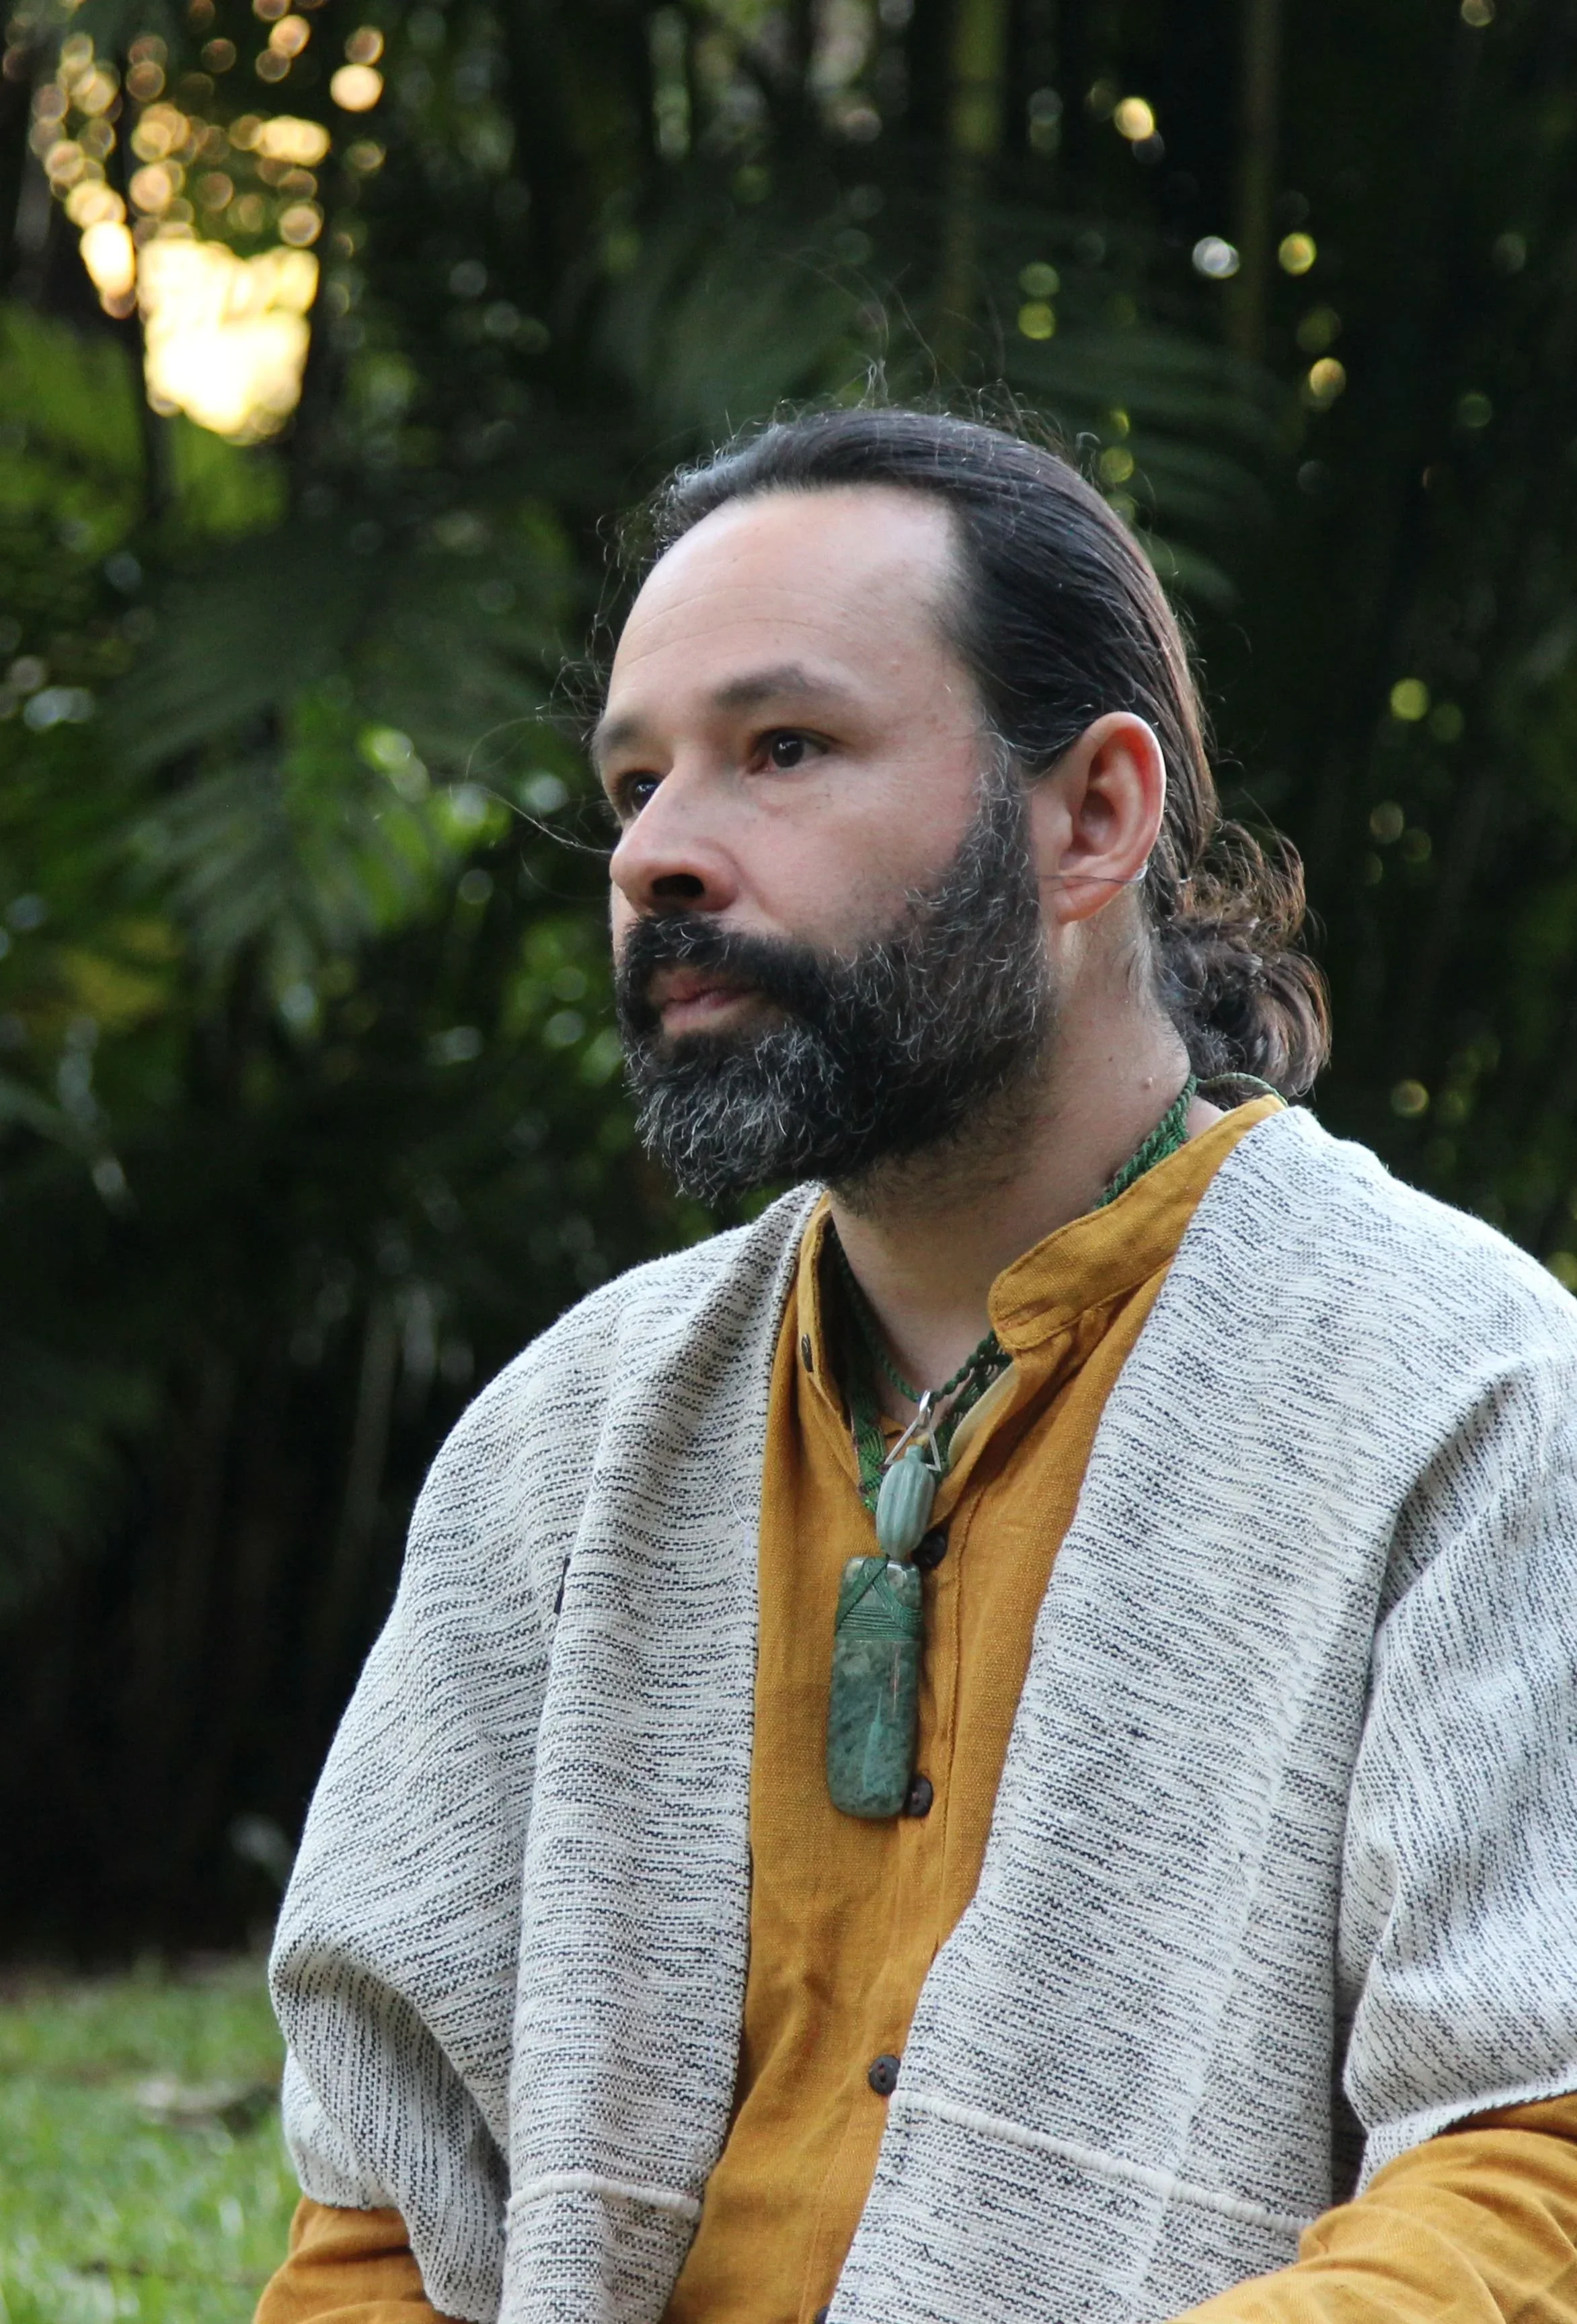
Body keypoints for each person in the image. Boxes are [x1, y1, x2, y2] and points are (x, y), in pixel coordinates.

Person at [256, 406, 1577, 2324]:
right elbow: (385, 2221)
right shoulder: (562, 1443)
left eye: (783, 750)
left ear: (1092, 818)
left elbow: (1530, 2172)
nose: (657, 855)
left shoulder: (1473, 1398)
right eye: (635, 781)